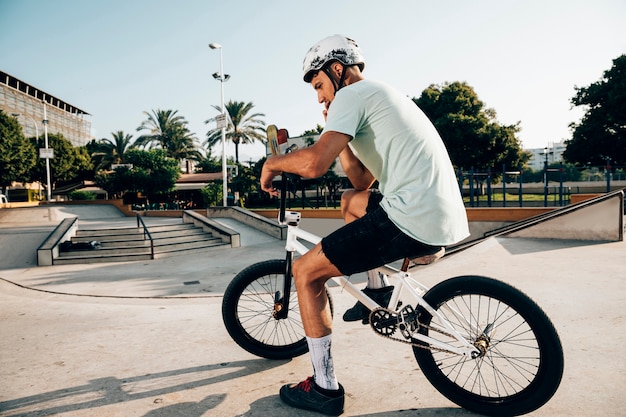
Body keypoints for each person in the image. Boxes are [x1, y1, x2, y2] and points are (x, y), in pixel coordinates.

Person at [260, 34, 470, 416]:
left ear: (337, 70)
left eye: (320, 86)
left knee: (306, 273)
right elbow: (361, 183)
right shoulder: (375, 95)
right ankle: (379, 291)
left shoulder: (352, 96)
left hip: (409, 215)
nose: (321, 97)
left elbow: (312, 166)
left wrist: (273, 163)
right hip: (434, 212)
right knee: (349, 201)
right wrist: (343, 140)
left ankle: (324, 389)